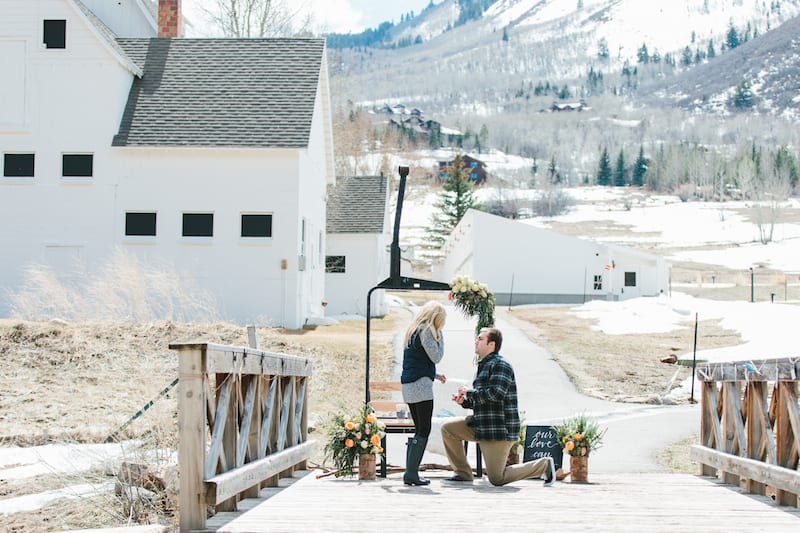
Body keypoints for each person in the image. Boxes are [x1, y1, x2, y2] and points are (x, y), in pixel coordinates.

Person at [441, 327, 555, 487]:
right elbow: (482, 399)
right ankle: (463, 474)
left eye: (480, 339)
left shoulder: (501, 365)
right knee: (448, 429)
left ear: (491, 345)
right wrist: (464, 401)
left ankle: (543, 465)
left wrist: (469, 392)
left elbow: (495, 394)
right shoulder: (483, 366)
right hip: (482, 424)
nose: (476, 341)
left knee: (497, 478)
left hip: (499, 429)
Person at [400, 300, 447, 486]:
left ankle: (410, 472)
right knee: (424, 430)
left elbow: (417, 362)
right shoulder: (428, 331)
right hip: (421, 388)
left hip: (409, 387)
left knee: (419, 429)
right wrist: (441, 337)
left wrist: (435, 375)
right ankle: (411, 473)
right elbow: (436, 356)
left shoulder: (413, 331)